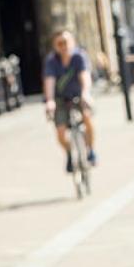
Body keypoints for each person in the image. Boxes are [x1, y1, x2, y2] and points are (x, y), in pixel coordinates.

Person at [41, 29, 96, 172]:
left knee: (87, 119)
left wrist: (85, 93)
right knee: (60, 132)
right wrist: (50, 100)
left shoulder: (79, 57)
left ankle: (90, 151)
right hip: (60, 99)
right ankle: (70, 154)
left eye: (66, 42)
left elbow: (84, 75)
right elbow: (49, 81)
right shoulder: (52, 61)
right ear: (55, 46)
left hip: (78, 96)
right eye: (60, 43)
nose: (63, 46)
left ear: (73, 42)